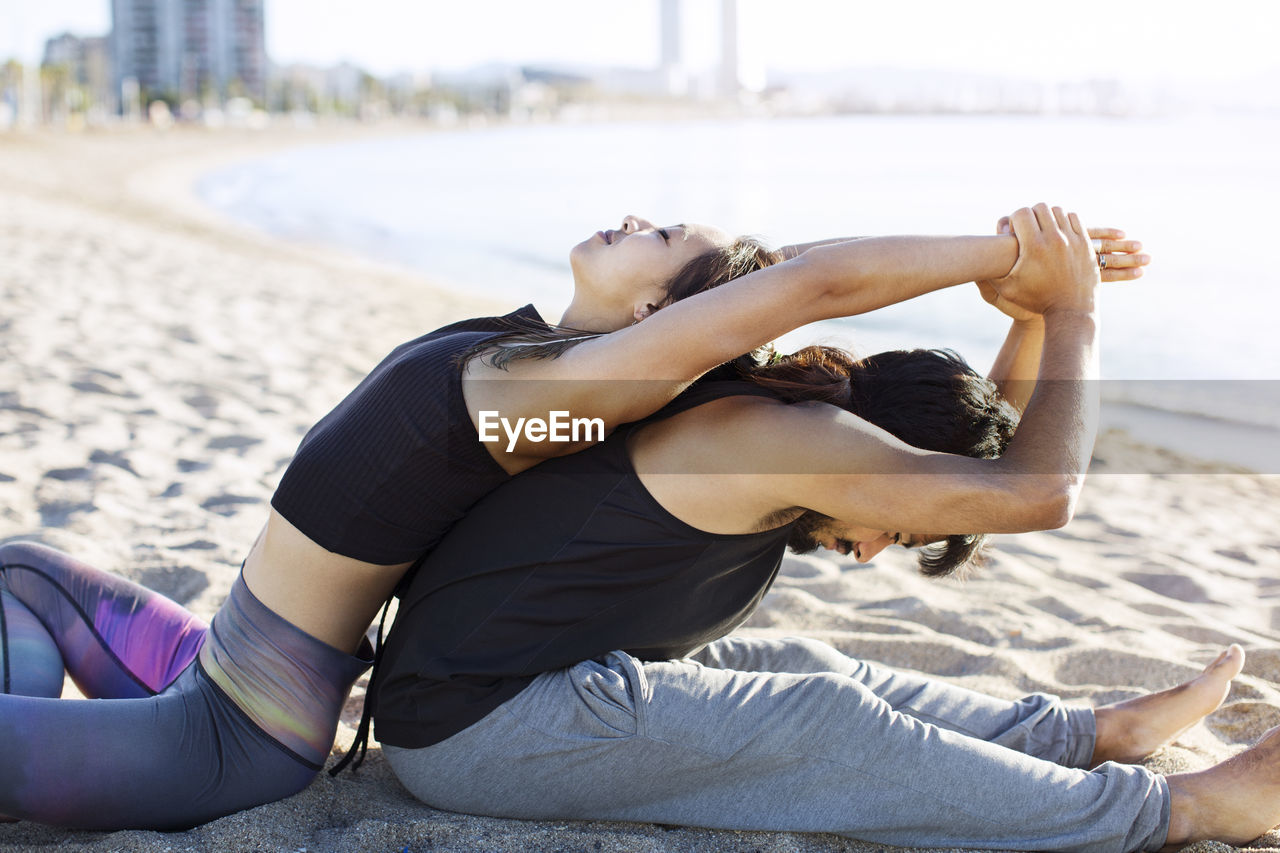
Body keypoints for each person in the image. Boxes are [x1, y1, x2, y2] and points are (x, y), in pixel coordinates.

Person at [0, 205, 1146, 829]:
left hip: (229, 737)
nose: (638, 215)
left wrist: (1030, 271)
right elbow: (791, 269)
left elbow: (796, 289)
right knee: (19, 570)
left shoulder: (535, 404)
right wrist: (1043, 272)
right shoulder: (546, 357)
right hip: (216, 664)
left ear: (657, 312)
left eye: (661, 239)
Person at [370, 206, 1278, 852]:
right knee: (822, 716)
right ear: (873, 447)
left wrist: (1033, 308)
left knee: (809, 667)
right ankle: (1174, 812)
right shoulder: (778, 438)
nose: (881, 543)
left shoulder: (782, 399)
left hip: (516, 692)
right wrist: (1075, 311)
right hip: (479, 734)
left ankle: (1082, 735)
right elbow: (1039, 492)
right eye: (897, 520)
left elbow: (976, 470)